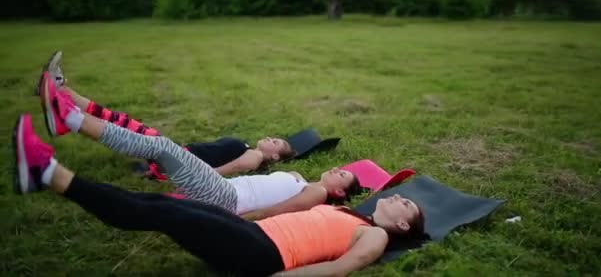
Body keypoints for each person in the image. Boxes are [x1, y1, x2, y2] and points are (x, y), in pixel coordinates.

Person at [12, 113, 425, 276]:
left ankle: (48, 172)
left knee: (162, 215)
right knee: (158, 206)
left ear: (403, 223)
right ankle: (45, 173)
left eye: (405, 202)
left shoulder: (377, 235)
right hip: (253, 233)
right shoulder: (355, 217)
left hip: (262, 254)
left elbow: (339, 269)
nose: (397, 198)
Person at [37, 71, 361, 219]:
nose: (337, 170)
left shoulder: (317, 193)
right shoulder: (305, 182)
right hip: (222, 190)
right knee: (157, 145)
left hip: (225, 198)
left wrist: (244, 222)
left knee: (159, 146)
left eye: (343, 176)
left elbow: (279, 211)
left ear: (340, 193)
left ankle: (70, 118)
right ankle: (70, 116)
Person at [36, 51, 296, 178]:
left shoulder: (254, 156)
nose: (272, 137)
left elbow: (234, 168)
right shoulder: (249, 147)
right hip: (172, 153)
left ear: (274, 155)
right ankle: (59, 90)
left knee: (118, 126)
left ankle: (63, 109)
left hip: (173, 157)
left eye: (277, 142)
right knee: (118, 122)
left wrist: (185, 175)